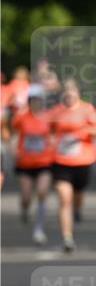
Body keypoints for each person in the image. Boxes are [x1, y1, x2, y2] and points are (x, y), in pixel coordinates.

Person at [49, 78, 96, 252]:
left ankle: (78, 208)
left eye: (72, 91)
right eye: (65, 92)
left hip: (83, 160)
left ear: (78, 94)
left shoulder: (87, 109)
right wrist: (52, 141)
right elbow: (49, 131)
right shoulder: (55, 112)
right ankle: (67, 238)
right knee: (64, 198)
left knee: (78, 194)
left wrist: (84, 131)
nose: (68, 95)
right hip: (60, 161)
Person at [8, 84, 54, 243]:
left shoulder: (49, 117)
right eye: (33, 100)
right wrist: (13, 149)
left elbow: (54, 135)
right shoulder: (21, 117)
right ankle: (25, 208)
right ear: (29, 101)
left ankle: (39, 229)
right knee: (26, 196)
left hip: (44, 161)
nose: (36, 103)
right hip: (25, 162)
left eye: (39, 100)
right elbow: (14, 134)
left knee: (42, 192)